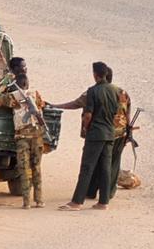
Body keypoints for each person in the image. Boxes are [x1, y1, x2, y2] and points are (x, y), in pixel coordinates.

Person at [51, 67, 131, 200]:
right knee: (112, 164)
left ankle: (89, 192)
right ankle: (107, 195)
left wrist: (54, 106)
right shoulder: (122, 92)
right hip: (119, 133)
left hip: (98, 134)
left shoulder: (94, 91)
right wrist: (128, 132)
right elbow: (127, 113)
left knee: (91, 164)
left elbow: (76, 104)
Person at [59, 62, 118, 211]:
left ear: (95, 74)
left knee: (87, 167)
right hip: (110, 133)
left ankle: (77, 202)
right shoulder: (116, 90)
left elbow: (88, 115)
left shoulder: (93, 91)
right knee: (105, 168)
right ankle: (103, 202)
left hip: (96, 133)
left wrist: (86, 127)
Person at [0, 73, 45, 209]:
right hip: (37, 137)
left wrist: (4, 86)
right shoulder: (36, 94)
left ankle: (26, 202)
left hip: (23, 139)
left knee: (24, 169)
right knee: (36, 168)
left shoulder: (13, 97)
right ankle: (39, 200)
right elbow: (42, 105)